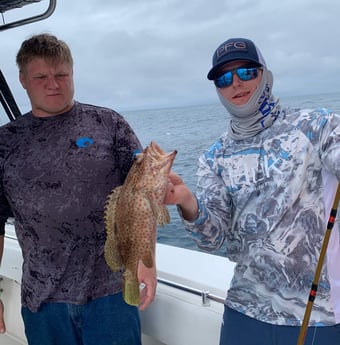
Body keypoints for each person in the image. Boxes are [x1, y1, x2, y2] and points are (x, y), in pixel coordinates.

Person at [165, 37, 340, 344]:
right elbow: (212, 239)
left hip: (317, 316)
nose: (236, 83)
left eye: (246, 72)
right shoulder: (213, 157)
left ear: (265, 75)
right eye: (224, 78)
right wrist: (187, 202)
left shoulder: (317, 126)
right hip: (244, 310)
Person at [0, 33, 157, 345]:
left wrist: (147, 261)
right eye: (41, 76)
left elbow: (144, 196)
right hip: (42, 301)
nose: (53, 84)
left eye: (61, 74)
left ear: (72, 73)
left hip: (111, 294)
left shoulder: (108, 124)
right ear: (23, 80)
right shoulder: (5, 143)